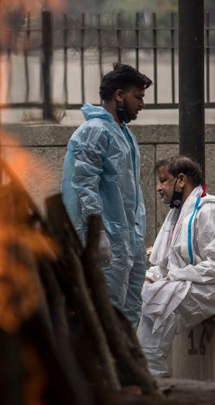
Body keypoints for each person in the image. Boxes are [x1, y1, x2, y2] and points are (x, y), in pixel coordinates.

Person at [137, 156, 215, 376]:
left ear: (180, 180)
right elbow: (165, 264)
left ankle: (152, 372)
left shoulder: (210, 210)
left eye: (163, 180)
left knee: (161, 300)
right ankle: (140, 368)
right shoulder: (176, 215)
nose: (158, 188)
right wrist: (149, 278)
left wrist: (173, 278)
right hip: (189, 284)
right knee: (140, 293)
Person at [61, 63, 152, 328]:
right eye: (139, 96)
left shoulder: (125, 135)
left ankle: (123, 369)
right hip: (108, 242)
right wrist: (97, 233)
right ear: (119, 95)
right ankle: (101, 370)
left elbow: (130, 190)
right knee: (106, 315)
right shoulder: (94, 131)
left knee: (130, 312)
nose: (142, 104)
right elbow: (84, 184)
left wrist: (136, 236)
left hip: (127, 241)